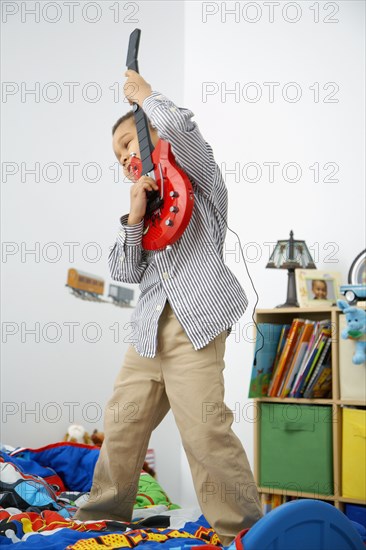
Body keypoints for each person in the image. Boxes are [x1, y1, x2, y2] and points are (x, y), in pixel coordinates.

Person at [73, 69, 263, 546]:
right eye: (117, 157)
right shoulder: (148, 206)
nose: (124, 158)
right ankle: (103, 515)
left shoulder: (201, 181)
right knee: (121, 423)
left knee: (204, 431)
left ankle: (241, 531)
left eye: (128, 143)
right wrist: (134, 216)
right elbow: (125, 270)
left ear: (151, 136)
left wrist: (147, 97)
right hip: (147, 332)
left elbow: (182, 128)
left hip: (194, 325)